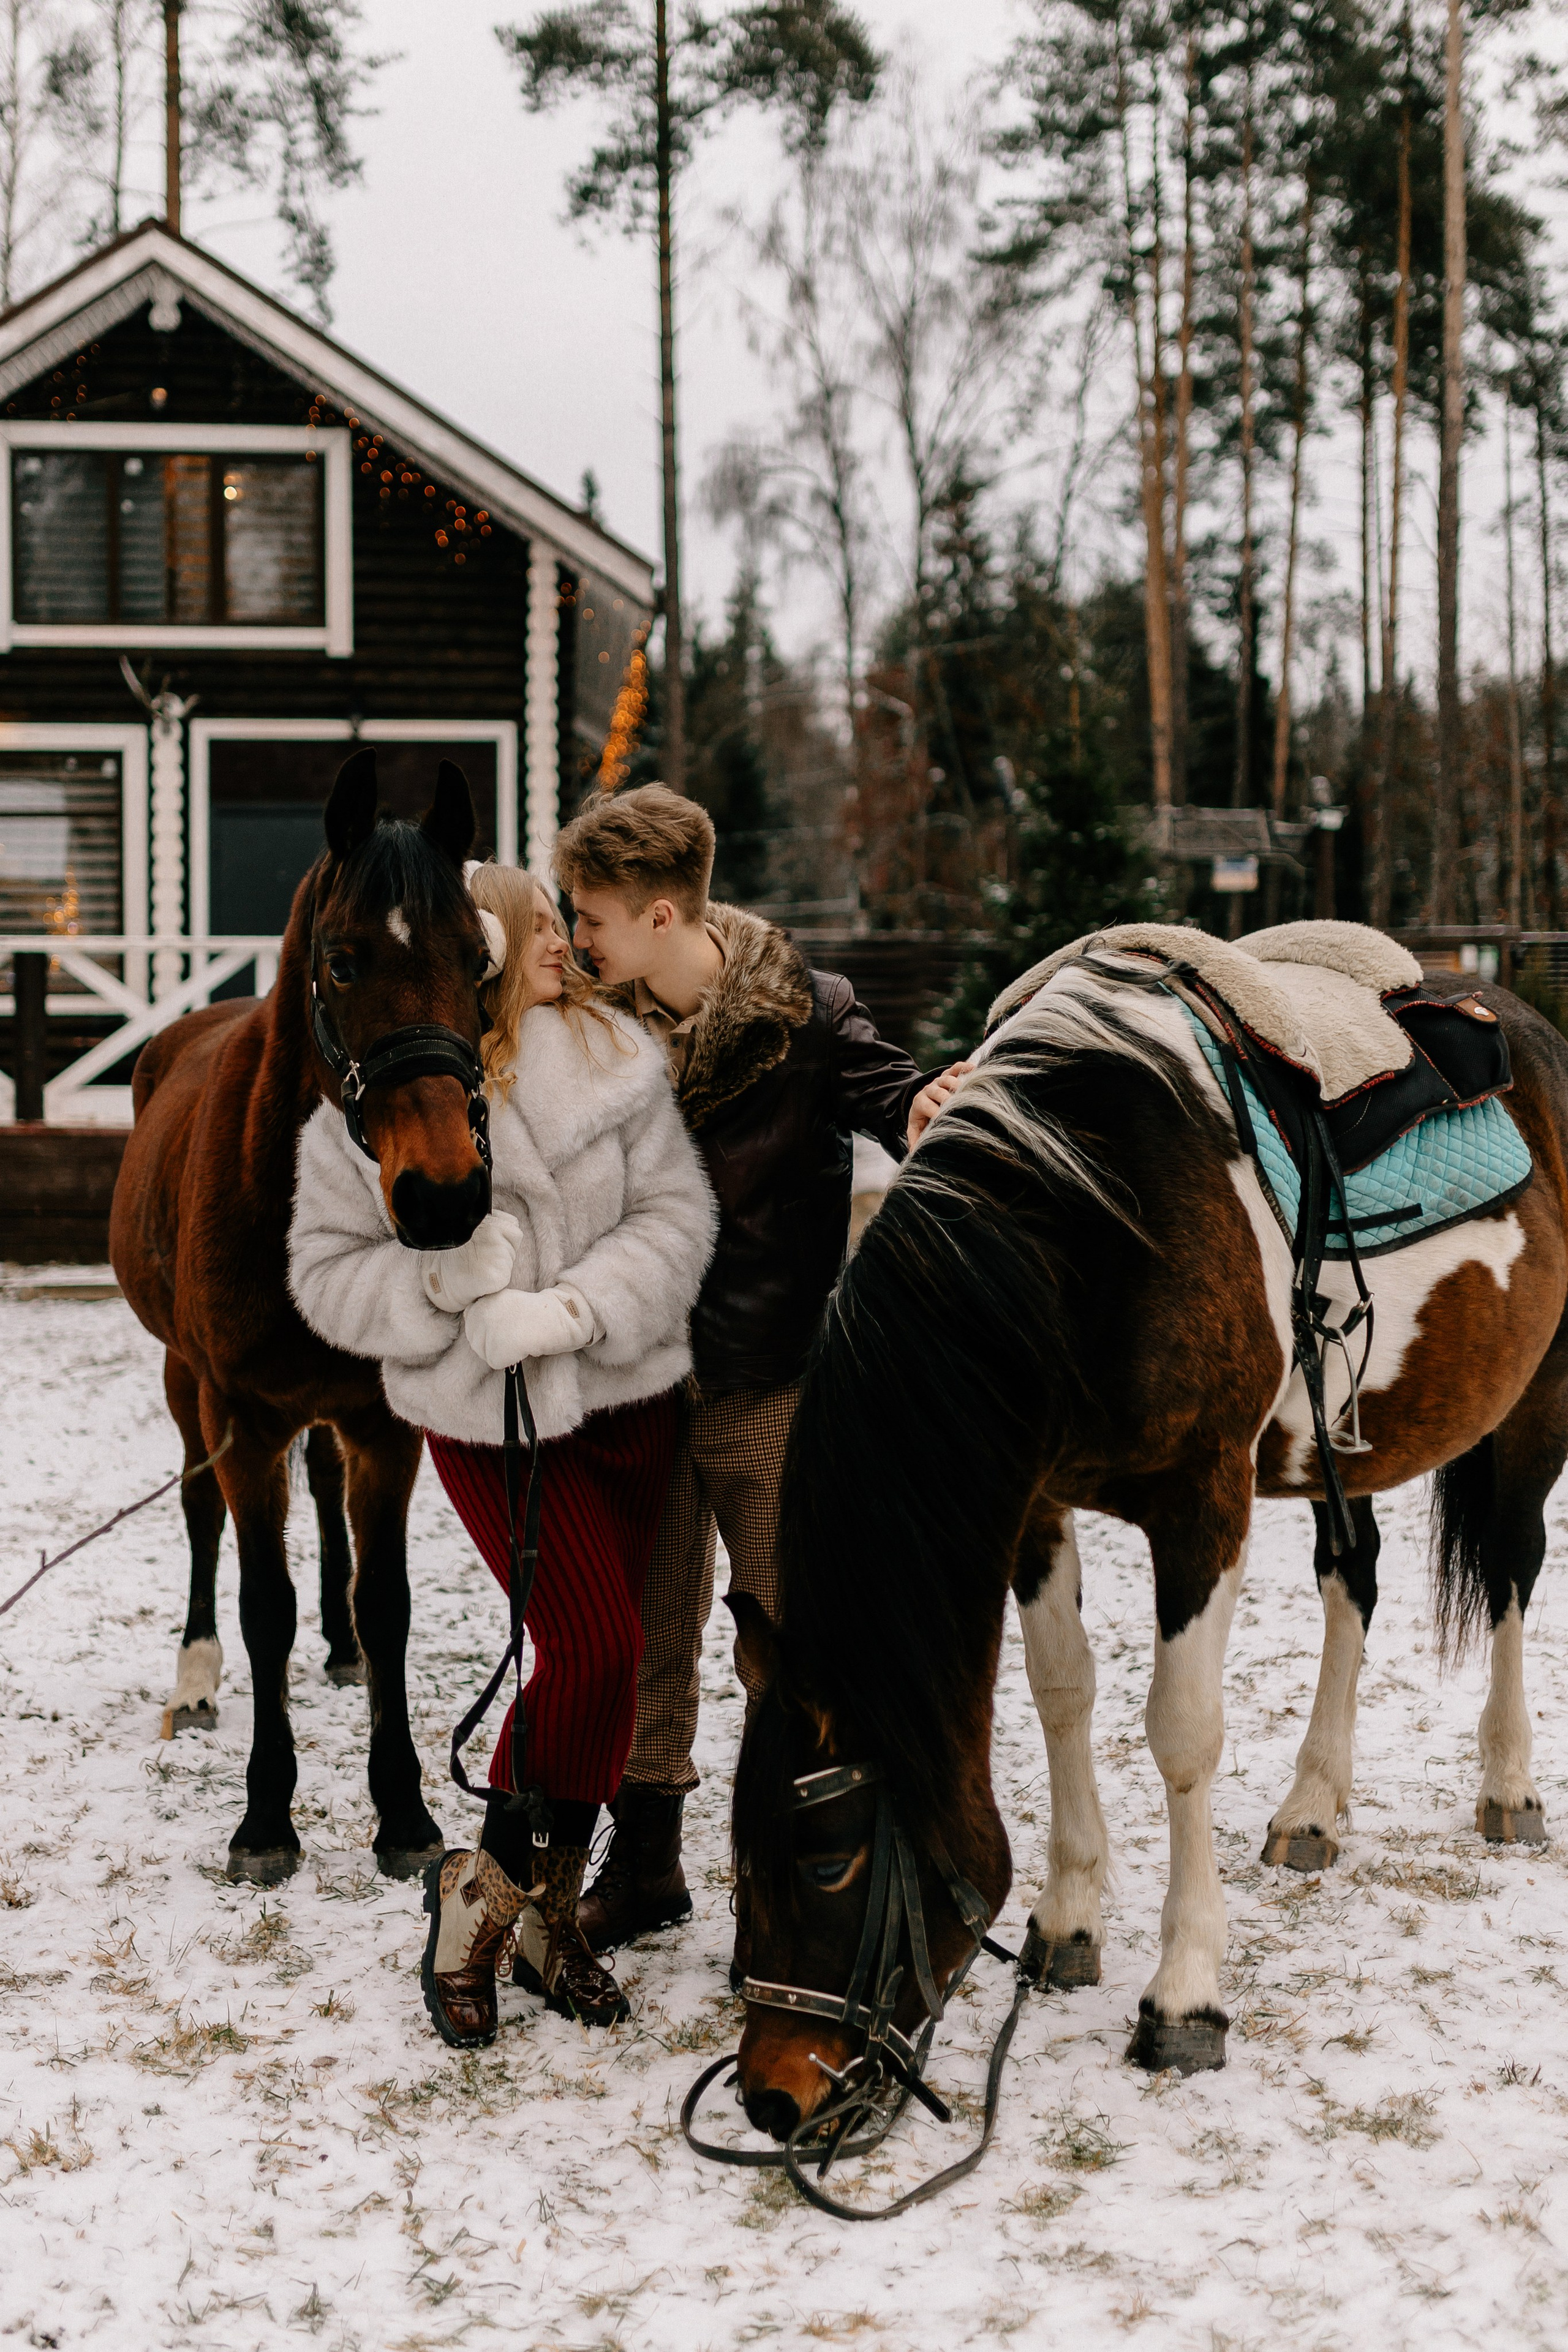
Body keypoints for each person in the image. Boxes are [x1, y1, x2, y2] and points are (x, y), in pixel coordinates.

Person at [288, 864, 717, 2046]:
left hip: (630, 1395)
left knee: (609, 1673)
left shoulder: (619, 1061)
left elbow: (677, 1219)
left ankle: (547, 1912)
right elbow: (322, 1273)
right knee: (594, 1639)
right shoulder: (397, 1083)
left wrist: (575, 1309)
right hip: (488, 1413)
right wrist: (437, 1284)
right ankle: (474, 1908)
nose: (569, 948)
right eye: (546, 931)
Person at [553, 784, 966, 1958]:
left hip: (767, 1382)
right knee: (647, 1628)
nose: (577, 936)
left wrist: (928, 1098)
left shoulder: (807, 1017)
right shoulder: (592, 1028)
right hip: (633, 1384)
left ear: (666, 914)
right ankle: (644, 1870)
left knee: (791, 1631)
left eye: (592, 916)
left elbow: (895, 1093)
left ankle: (796, 1875)